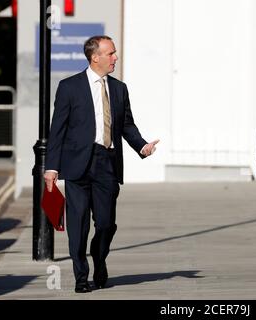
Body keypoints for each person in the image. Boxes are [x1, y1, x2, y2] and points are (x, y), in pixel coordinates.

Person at [44, 35, 159, 293]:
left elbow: (126, 125)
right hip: (77, 165)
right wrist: (51, 168)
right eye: (111, 54)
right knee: (79, 222)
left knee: (106, 223)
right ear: (95, 57)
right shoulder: (69, 87)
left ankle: (99, 258)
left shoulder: (119, 89)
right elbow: (58, 130)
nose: (115, 58)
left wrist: (141, 145)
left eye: (114, 53)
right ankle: (81, 277)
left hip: (107, 162)